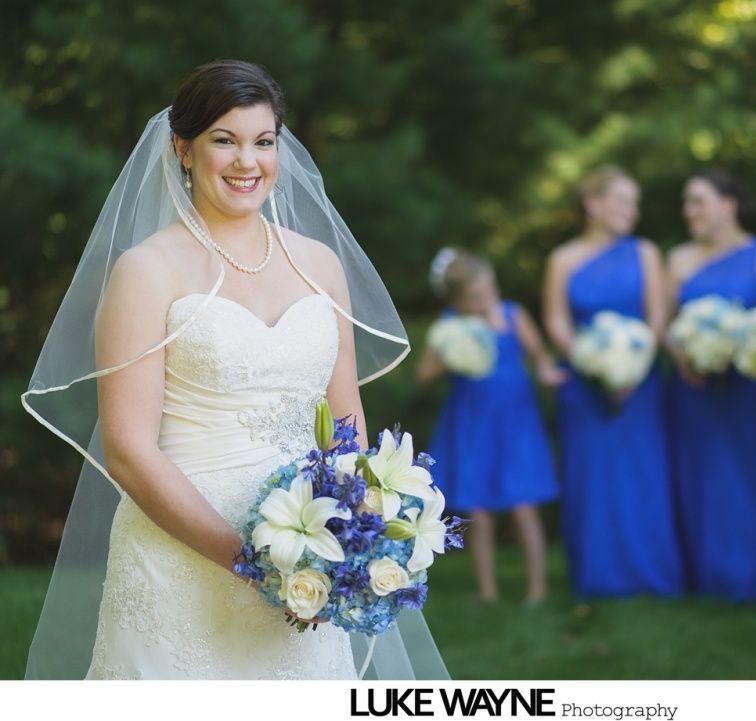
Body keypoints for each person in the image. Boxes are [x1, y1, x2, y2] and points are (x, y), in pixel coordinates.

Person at [21, 59, 446, 679]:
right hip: (181, 559)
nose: (248, 162)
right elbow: (130, 452)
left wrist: (353, 534)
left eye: (263, 142)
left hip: (312, 558)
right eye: (225, 140)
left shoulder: (319, 264)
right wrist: (254, 562)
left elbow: (347, 418)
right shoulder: (147, 271)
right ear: (183, 150)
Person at [543, 165, 683, 598]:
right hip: (585, 386)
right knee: (594, 478)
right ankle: (598, 576)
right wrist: (590, 362)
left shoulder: (645, 253)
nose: (631, 211)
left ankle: (650, 574)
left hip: (640, 386)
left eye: (634, 203)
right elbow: (556, 321)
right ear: (593, 204)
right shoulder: (562, 259)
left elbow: (658, 315)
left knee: (643, 476)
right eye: (622, 201)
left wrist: (634, 364)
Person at [418, 248, 562, 605]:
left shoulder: (513, 316)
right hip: (472, 424)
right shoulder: (449, 326)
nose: (488, 299)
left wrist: (546, 370)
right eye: (477, 296)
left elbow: (538, 355)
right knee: (477, 507)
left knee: (523, 501)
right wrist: (448, 355)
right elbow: (424, 374)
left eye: (490, 289)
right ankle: (487, 591)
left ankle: (538, 588)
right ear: (458, 300)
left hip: (515, 422)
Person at [665, 168, 756, 601]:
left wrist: (750, 349)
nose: (688, 211)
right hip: (695, 391)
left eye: (698, 201)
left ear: (728, 205)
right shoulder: (678, 260)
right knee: (702, 478)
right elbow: (666, 326)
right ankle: (708, 576)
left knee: (749, 478)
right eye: (686, 202)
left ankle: (755, 577)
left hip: (748, 392)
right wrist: (685, 357)